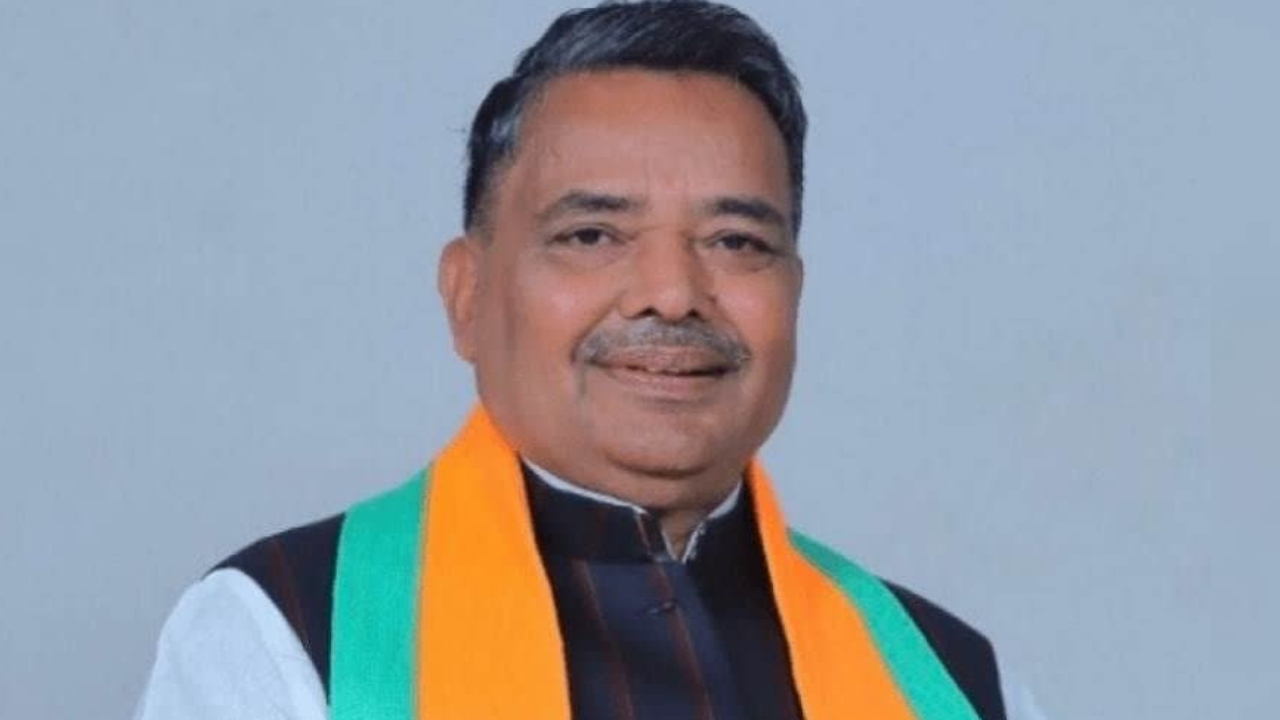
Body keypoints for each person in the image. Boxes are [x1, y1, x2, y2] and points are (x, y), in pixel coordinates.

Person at [135, 2, 1049, 719]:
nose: (673, 293)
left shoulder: (953, 680)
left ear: (795, 294)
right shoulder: (288, 633)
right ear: (466, 294)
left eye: (736, 242)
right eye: (592, 234)